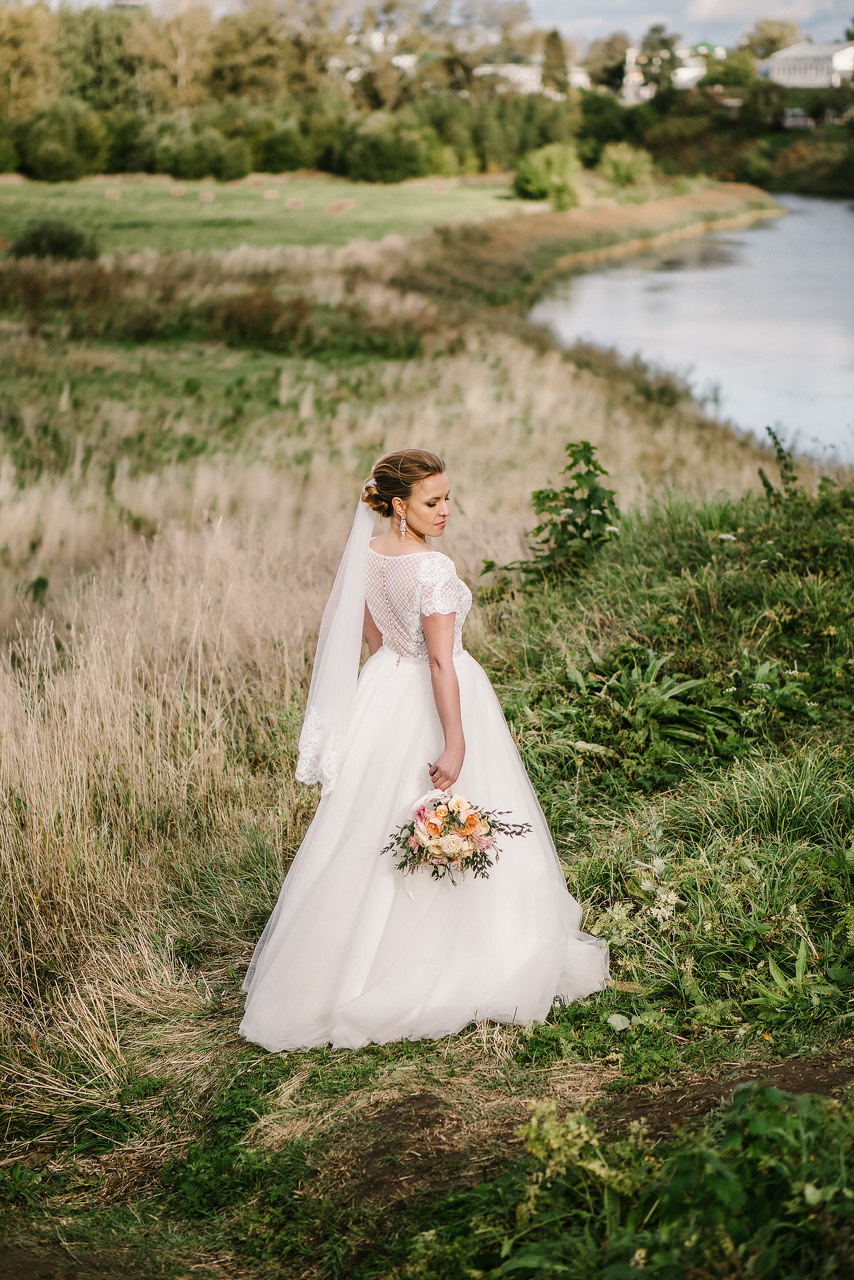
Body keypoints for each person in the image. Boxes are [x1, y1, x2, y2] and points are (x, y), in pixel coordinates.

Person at [239, 449, 608, 1052]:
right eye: (432, 502)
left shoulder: (368, 554)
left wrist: (393, 658)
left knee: (365, 826)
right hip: (436, 699)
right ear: (396, 505)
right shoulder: (432, 571)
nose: (445, 511)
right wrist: (455, 740)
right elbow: (440, 661)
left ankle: (340, 963)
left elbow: (366, 629)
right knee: (436, 809)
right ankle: (452, 955)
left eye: (446, 498)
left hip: (384, 688)